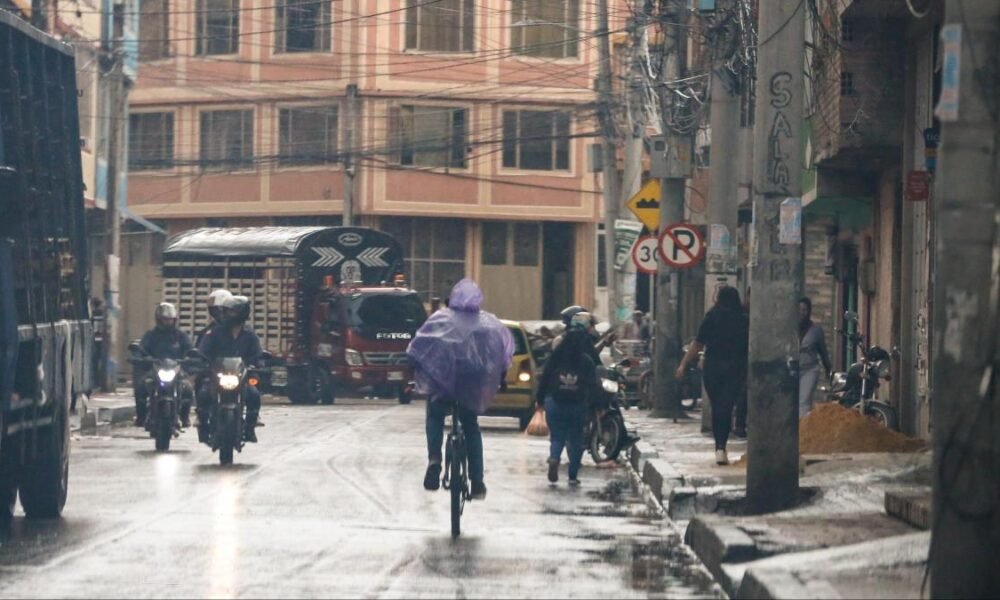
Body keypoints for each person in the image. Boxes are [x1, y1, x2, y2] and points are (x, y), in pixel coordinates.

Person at [410, 279, 513, 502]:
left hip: (443, 386)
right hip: (471, 387)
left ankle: (435, 459)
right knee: (470, 426)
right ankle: (477, 481)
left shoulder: (440, 320)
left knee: (435, 416)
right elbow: (502, 355)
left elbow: (418, 348)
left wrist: (417, 370)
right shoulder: (488, 325)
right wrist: (501, 378)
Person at [675, 286, 748, 465]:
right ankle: (722, 445)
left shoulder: (711, 317)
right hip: (735, 368)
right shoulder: (743, 319)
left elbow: (697, 344)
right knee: (727, 406)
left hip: (713, 368)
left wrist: (683, 364)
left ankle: (719, 447)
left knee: (717, 407)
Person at [536, 326, 599, 486]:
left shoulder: (556, 358)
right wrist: (595, 404)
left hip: (555, 402)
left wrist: (540, 400)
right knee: (576, 439)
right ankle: (572, 476)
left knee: (557, 437)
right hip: (578, 405)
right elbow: (593, 385)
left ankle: (554, 458)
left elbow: (544, 379)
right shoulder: (586, 361)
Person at [197, 295, 263, 444]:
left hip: (242, 377)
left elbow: (257, 355)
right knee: (203, 393)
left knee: (254, 394)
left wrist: (258, 364)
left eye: (232, 312)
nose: (227, 315)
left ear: (242, 313)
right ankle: (203, 427)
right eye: (226, 312)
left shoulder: (250, 335)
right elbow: (203, 352)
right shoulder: (214, 333)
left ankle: (250, 428)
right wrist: (202, 362)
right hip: (218, 376)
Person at [134, 302, 194, 427]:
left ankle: (184, 417)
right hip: (155, 369)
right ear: (159, 320)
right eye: (165, 319)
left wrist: (190, 358)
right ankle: (141, 417)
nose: (168, 322)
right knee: (140, 387)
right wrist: (142, 357)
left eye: (170, 319)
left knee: (188, 389)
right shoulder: (151, 335)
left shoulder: (181, 336)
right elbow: (141, 349)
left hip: (176, 370)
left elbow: (190, 350)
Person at [798, 297, 832, 417]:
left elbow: (823, 351)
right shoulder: (789, 328)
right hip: (792, 370)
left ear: (809, 311)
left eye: (804, 309)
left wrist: (828, 370)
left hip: (809, 370)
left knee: (804, 401)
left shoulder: (816, 331)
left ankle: (803, 425)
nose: (801, 312)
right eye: (799, 309)